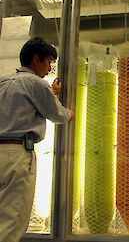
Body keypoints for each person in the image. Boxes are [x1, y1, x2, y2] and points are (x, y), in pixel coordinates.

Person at [0, 37, 75, 242]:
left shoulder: (4, 81)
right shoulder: (37, 84)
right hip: (17, 156)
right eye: (48, 61)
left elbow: (23, 107)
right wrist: (70, 113)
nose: (50, 68)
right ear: (35, 60)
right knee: (11, 219)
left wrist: (52, 94)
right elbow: (57, 115)